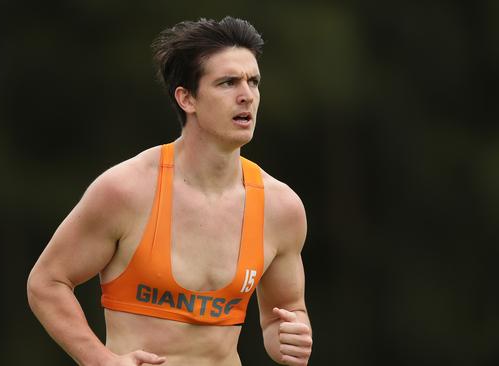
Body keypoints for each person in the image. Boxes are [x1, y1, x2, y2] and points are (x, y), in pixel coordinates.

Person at [27, 16, 313, 366]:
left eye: (253, 82)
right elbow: (47, 282)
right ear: (187, 98)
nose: (246, 96)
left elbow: (283, 315)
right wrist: (101, 360)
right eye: (228, 82)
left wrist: (291, 336)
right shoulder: (126, 190)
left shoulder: (280, 207)